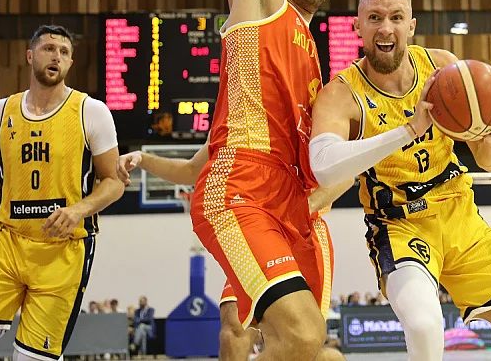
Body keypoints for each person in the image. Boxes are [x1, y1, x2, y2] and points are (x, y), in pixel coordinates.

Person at [308, 0, 491, 361]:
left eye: (396, 17)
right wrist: (408, 130)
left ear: (411, 25)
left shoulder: (443, 69)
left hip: (461, 218)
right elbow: (324, 168)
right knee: (425, 327)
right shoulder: (342, 94)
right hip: (400, 225)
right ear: (357, 26)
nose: (385, 28)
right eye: (374, 17)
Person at [186, 0, 342, 357]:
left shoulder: (314, 53)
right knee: (300, 334)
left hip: (294, 200)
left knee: (309, 347)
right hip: (243, 185)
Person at [0, 25, 123, 361]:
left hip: (63, 251)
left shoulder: (91, 111)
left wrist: (78, 210)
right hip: (8, 244)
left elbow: (113, 181)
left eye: (64, 51)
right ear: (30, 56)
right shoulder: (0, 112)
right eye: (48, 48)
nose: (56, 56)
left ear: (70, 63)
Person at [116, 146, 350, 361]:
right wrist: (143, 159)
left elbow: (347, 173)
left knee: (302, 342)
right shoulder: (230, 118)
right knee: (232, 327)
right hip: (256, 224)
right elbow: (192, 169)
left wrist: (301, 210)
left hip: (303, 232)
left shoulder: (311, 115)